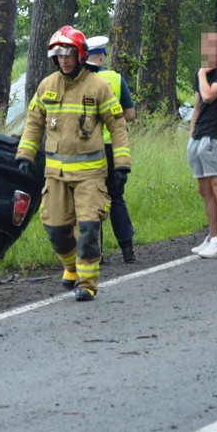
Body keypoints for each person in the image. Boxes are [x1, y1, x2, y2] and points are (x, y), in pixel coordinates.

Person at [16, 26, 131, 301]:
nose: (63, 60)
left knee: (90, 227)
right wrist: (25, 155)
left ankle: (88, 282)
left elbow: (117, 125)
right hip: (55, 175)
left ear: (80, 55)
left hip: (91, 175)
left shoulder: (98, 86)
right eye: (58, 55)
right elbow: (33, 123)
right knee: (55, 229)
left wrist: (122, 164)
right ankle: (70, 266)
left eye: (68, 54)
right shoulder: (47, 86)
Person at [84, 35, 137, 263]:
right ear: (102, 57)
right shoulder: (115, 79)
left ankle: (98, 253)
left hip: (90, 149)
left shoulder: (80, 81)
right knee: (116, 198)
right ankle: (128, 251)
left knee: (92, 199)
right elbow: (131, 115)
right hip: (114, 149)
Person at [188, 27, 217, 259]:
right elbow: (198, 106)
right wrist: (191, 135)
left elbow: (208, 96)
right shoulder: (204, 75)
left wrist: (200, 74)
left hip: (216, 136)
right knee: (204, 189)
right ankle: (212, 236)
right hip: (199, 137)